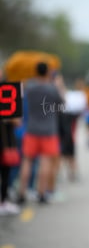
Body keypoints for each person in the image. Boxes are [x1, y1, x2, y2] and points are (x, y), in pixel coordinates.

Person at [17, 62, 64, 204]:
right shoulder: (52, 88)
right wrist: (59, 85)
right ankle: (41, 193)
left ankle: (21, 193)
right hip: (49, 131)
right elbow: (62, 103)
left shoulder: (29, 86)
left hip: (31, 129)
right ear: (47, 72)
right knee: (45, 162)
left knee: (27, 161)